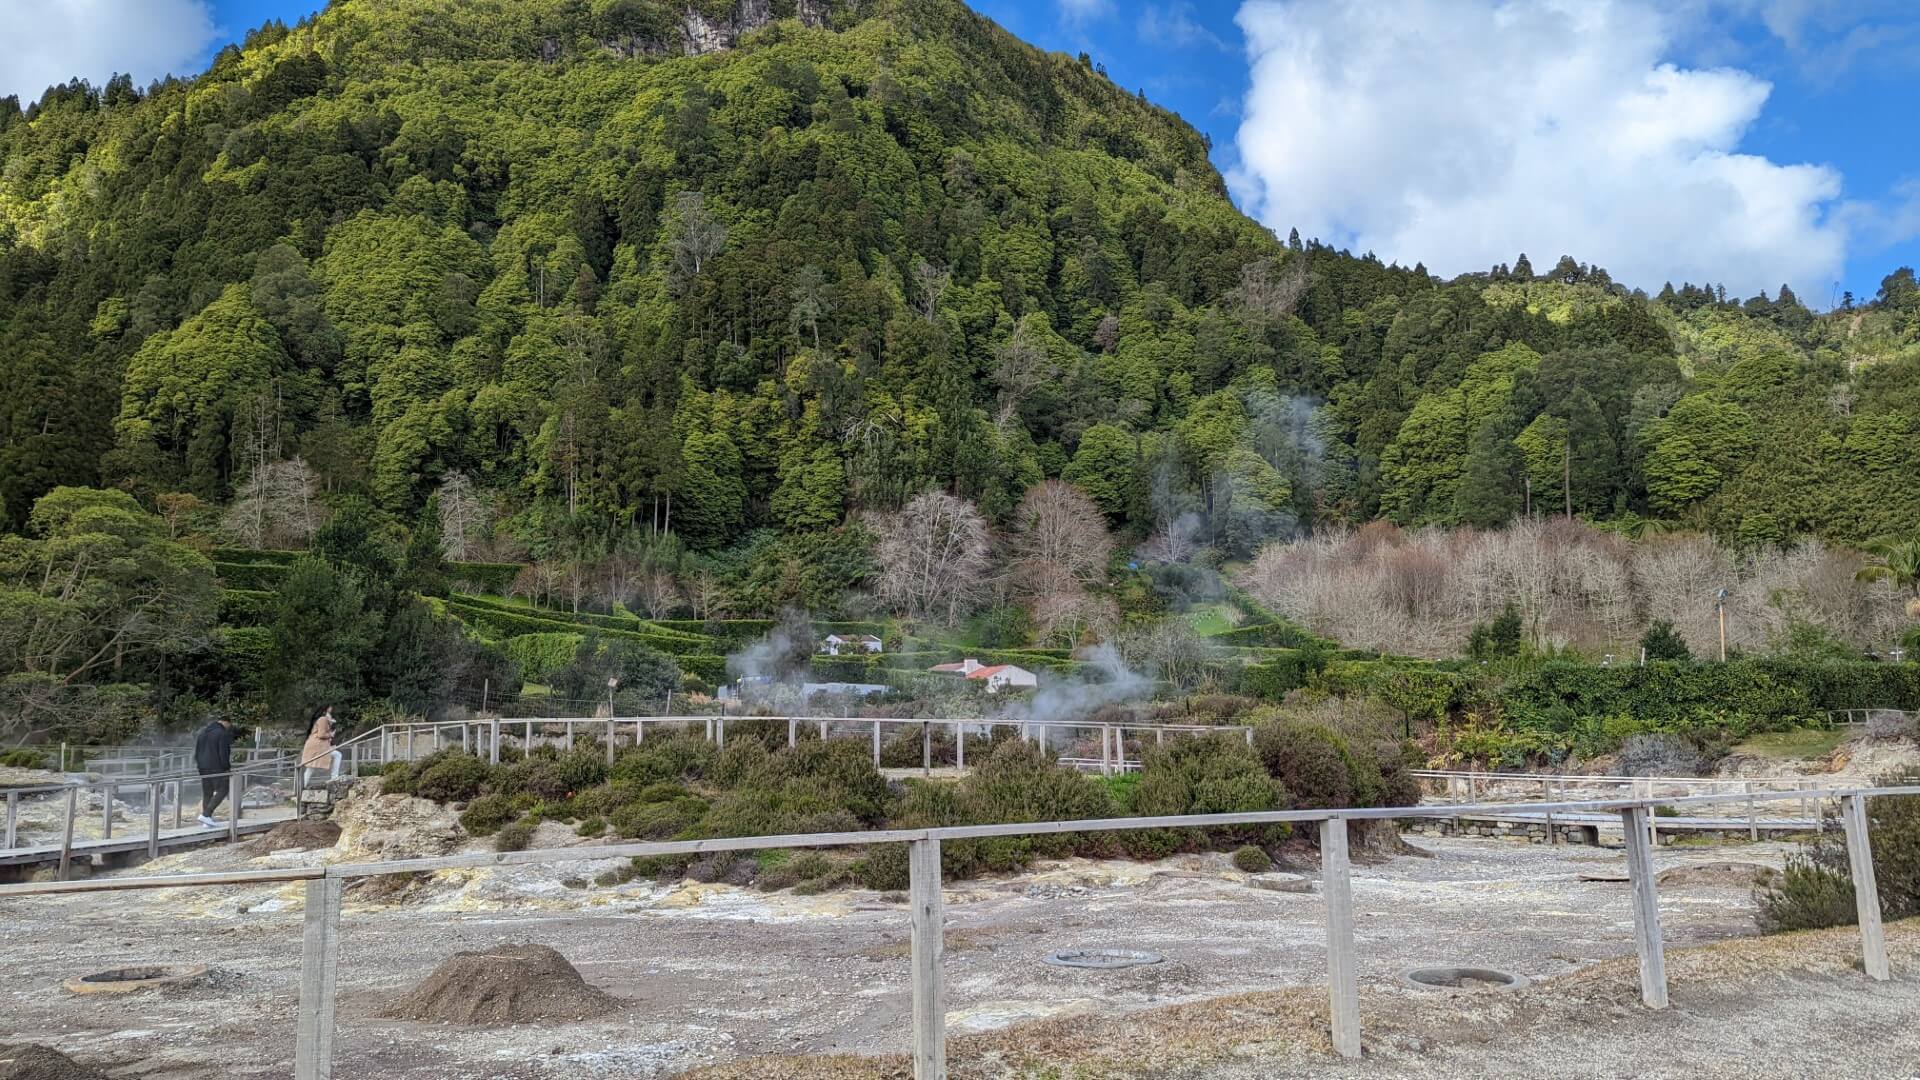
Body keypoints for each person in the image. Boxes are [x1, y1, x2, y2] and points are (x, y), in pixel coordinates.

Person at [193, 713, 235, 827]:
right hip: (216, 767)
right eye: (229, 725)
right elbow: (223, 753)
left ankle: (206, 821)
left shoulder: (203, 733)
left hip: (202, 767)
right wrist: (227, 768)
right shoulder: (221, 733)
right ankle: (206, 815)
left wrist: (200, 764)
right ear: (226, 722)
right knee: (223, 789)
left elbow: (196, 752)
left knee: (207, 793)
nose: (229, 727)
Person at [300, 705, 340, 786]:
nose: (331, 709)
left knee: (310, 768)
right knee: (337, 755)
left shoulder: (321, 719)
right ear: (326, 709)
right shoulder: (323, 719)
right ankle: (334, 778)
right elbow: (321, 734)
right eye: (330, 708)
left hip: (315, 745)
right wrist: (331, 734)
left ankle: (301, 787)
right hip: (317, 746)